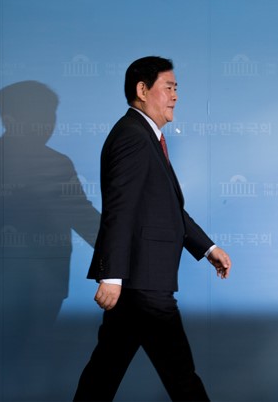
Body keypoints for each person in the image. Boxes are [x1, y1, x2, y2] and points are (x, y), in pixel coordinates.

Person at [74, 56, 231, 402]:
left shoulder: (145, 136)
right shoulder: (132, 137)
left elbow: (166, 209)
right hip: (145, 283)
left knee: (103, 374)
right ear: (142, 90)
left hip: (138, 283)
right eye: (168, 87)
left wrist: (208, 248)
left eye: (177, 88)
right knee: (182, 377)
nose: (176, 96)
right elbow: (120, 208)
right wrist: (111, 275)